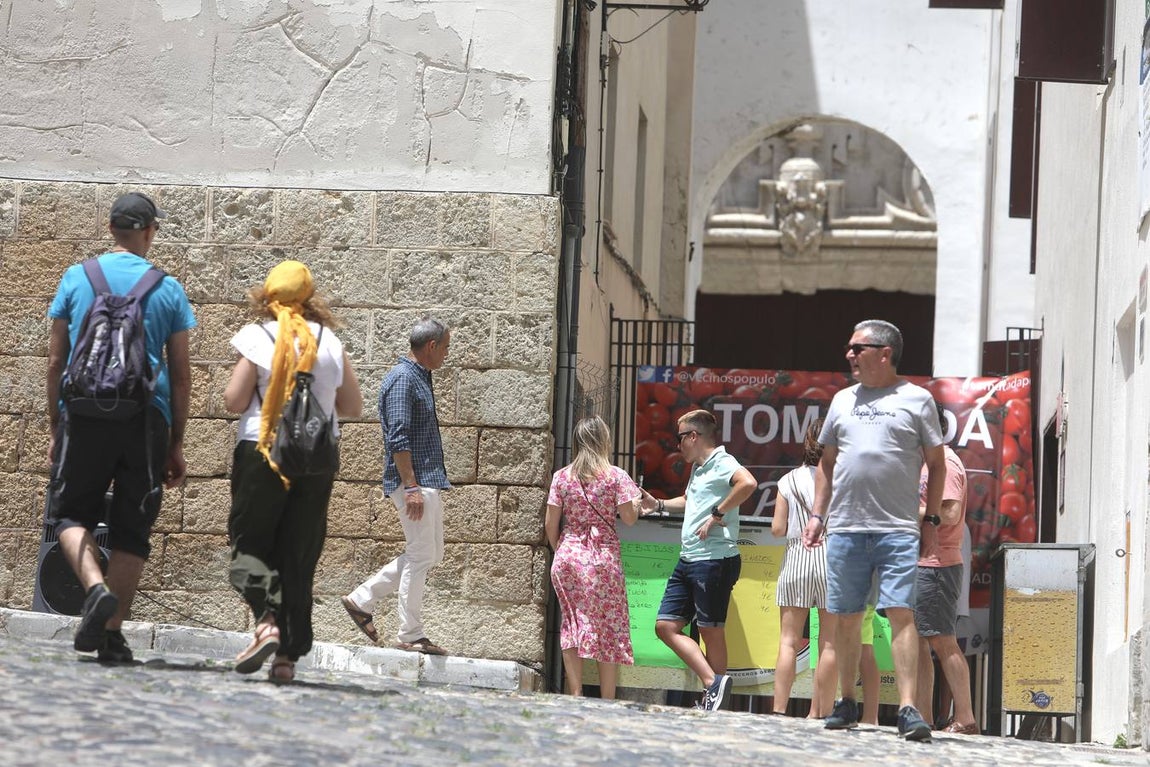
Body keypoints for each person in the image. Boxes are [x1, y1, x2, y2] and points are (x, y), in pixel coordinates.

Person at [46, 191, 196, 663]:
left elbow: (54, 361)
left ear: (112, 229)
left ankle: (94, 589)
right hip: (145, 419)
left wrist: (56, 427)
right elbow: (182, 373)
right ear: (150, 231)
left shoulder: (77, 277)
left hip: (83, 416)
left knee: (70, 517)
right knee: (133, 532)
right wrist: (175, 443)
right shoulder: (166, 289)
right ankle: (111, 635)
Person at [802, 319, 946, 741]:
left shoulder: (918, 400)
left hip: (898, 528)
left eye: (857, 348)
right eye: (849, 348)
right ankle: (846, 701)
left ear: (884, 353)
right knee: (845, 617)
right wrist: (817, 514)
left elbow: (936, 465)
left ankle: (906, 708)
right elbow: (827, 463)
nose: (849, 354)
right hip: (845, 526)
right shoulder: (842, 400)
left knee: (902, 615)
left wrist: (931, 520)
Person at [223, 260, 363, 682]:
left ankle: (265, 620)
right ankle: (286, 659)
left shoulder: (258, 336)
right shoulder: (330, 342)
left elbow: (233, 400)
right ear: (309, 297)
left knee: (247, 546)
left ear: (268, 296)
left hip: (261, 452)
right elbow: (352, 408)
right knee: (299, 552)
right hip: (316, 459)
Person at [342, 317, 452, 655]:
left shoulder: (418, 377)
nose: (447, 355)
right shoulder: (403, 380)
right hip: (413, 482)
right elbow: (397, 437)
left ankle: (362, 600)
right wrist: (411, 487)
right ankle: (411, 633)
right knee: (421, 554)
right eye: (445, 348)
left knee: (431, 553)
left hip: (424, 479)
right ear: (431, 346)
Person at [639, 409, 757, 712]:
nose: (678, 446)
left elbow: (748, 483)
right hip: (689, 558)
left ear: (693, 436)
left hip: (715, 559)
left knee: (710, 631)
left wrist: (717, 515)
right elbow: (691, 501)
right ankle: (713, 682)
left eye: (680, 438)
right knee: (665, 626)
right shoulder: (700, 468)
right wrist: (660, 504)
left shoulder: (723, 462)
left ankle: (713, 696)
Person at [545, 416, 641, 699]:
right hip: (603, 558)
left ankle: (575, 693)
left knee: (573, 622)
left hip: (569, 555)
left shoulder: (561, 476)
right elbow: (629, 518)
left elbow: (551, 524)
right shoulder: (616, 476)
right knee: (609, 624)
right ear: (604, 441)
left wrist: (561, 549)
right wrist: (635, 503)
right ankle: (607, 698)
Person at [913, 413, 978, 734]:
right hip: (923, 562)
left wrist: (914, 511)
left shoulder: (947, 464)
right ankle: (922, 717)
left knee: (942, 641)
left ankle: (966, 719)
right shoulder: (927, 465)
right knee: (921, 641)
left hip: (938, 564)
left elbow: (951, 513)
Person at [770, 419, 835, 716]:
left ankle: (780, 709)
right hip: (830, 555)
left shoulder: (788, 480)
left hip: (797, 556)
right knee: (829, 642)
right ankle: (819, 712)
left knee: (788, 641)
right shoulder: (840, 478)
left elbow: (777, 528)